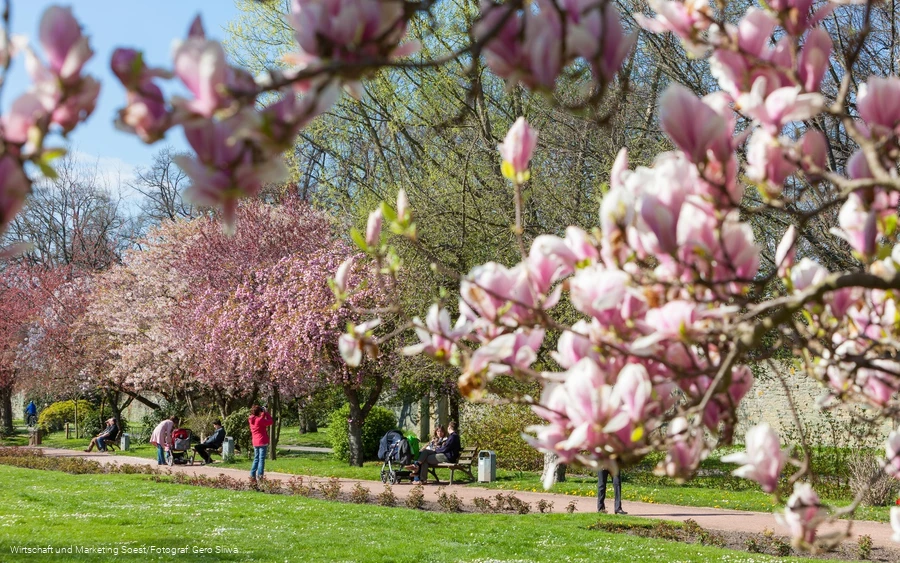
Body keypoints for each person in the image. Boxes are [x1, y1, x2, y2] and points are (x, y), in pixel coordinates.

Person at [248, 405, 273, 481]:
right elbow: (270, 421)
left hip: (255, 442)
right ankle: (260, 476)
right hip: (262, 441)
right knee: (261, 459)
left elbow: (259, 419)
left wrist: (262, 413)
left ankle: (252, 475)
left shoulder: (251, 419)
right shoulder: (259, 420)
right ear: (259, 412)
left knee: (256, 459)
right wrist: (266, 413)